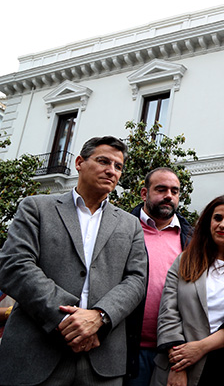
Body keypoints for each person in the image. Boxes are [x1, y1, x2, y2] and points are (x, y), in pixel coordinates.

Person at [0, 136, 148, 386]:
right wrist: (69, 319)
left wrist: (99, 317)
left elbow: (137, 279)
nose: (111, 170)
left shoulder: (130, 224)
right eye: (103, 161)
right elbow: (15, 265)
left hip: (102, 357)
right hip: (36, 353)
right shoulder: (36, 207)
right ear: (79, 162)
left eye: (118, 166)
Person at [151, 194, 224, 386]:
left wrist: (200, 348)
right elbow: (168, 313)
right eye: (217, 218)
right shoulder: (184, 261)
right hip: (181, 364)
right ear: (208, 222)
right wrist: (178, 365)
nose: (222, 224)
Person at [125, 168, 193, 386]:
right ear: (144, 193)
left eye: (175, 191)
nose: (168, 196)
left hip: (172, 351)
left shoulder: (191, 238)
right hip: (125, 349)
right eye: (161, 189)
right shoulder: (122, 227)